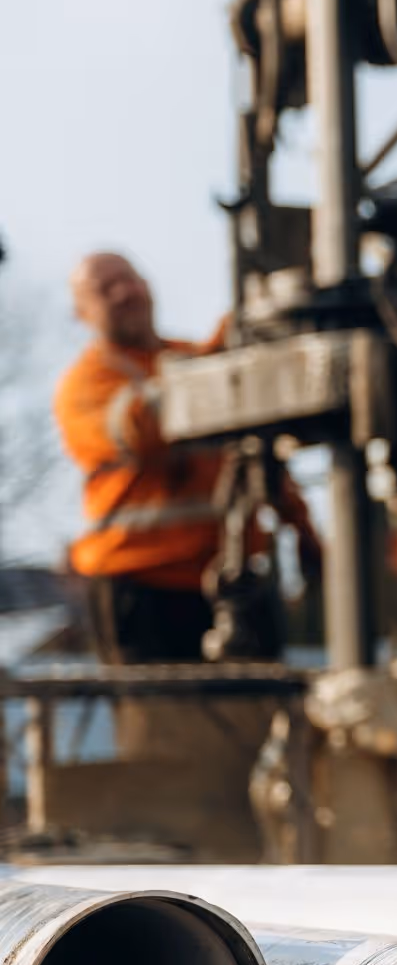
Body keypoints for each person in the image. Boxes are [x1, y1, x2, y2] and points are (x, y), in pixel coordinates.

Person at [51, 253, 292, 664]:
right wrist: (219, 361)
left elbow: (257, 458)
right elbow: (141, 430)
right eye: (105, 288)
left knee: (257, 717)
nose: (124, 292)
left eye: (130, 279)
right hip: (143, 589)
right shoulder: (85, 385)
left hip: (232, 581)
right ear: (82, 313)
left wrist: (303, 530)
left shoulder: (191, 359)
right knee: (164, 722)